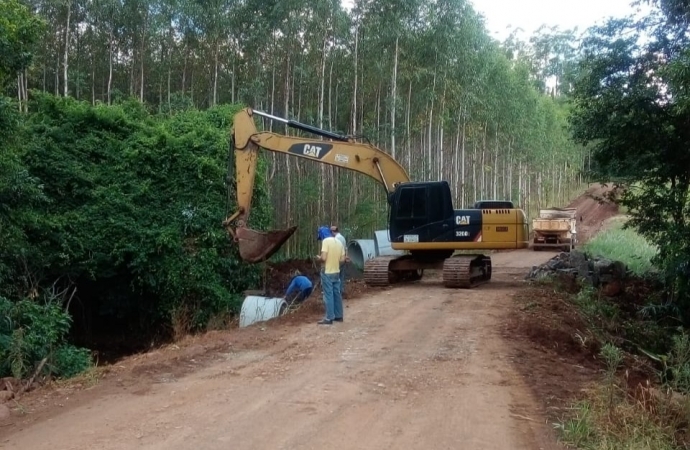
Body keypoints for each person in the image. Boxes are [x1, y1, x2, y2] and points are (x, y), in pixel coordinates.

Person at [316, 225, 345, 325]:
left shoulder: (325, 241)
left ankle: (329, 318)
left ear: (322, 235)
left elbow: (324, 258)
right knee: (337, 293)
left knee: (328, 294)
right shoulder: (339, 242)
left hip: (327, 272)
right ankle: (339, 316)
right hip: (336, 271)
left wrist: (319, 258)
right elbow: (342, 259)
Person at [330, 225, 348, 295]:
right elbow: (346, 248)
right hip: (343, 259)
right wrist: (346, 257)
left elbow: (336, 250)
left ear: (333, 232)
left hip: (338, 260)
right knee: (341, 276)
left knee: (336, 276)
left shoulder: (336, 239)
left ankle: (337, 292)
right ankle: (341, 290)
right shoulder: (342, 238)